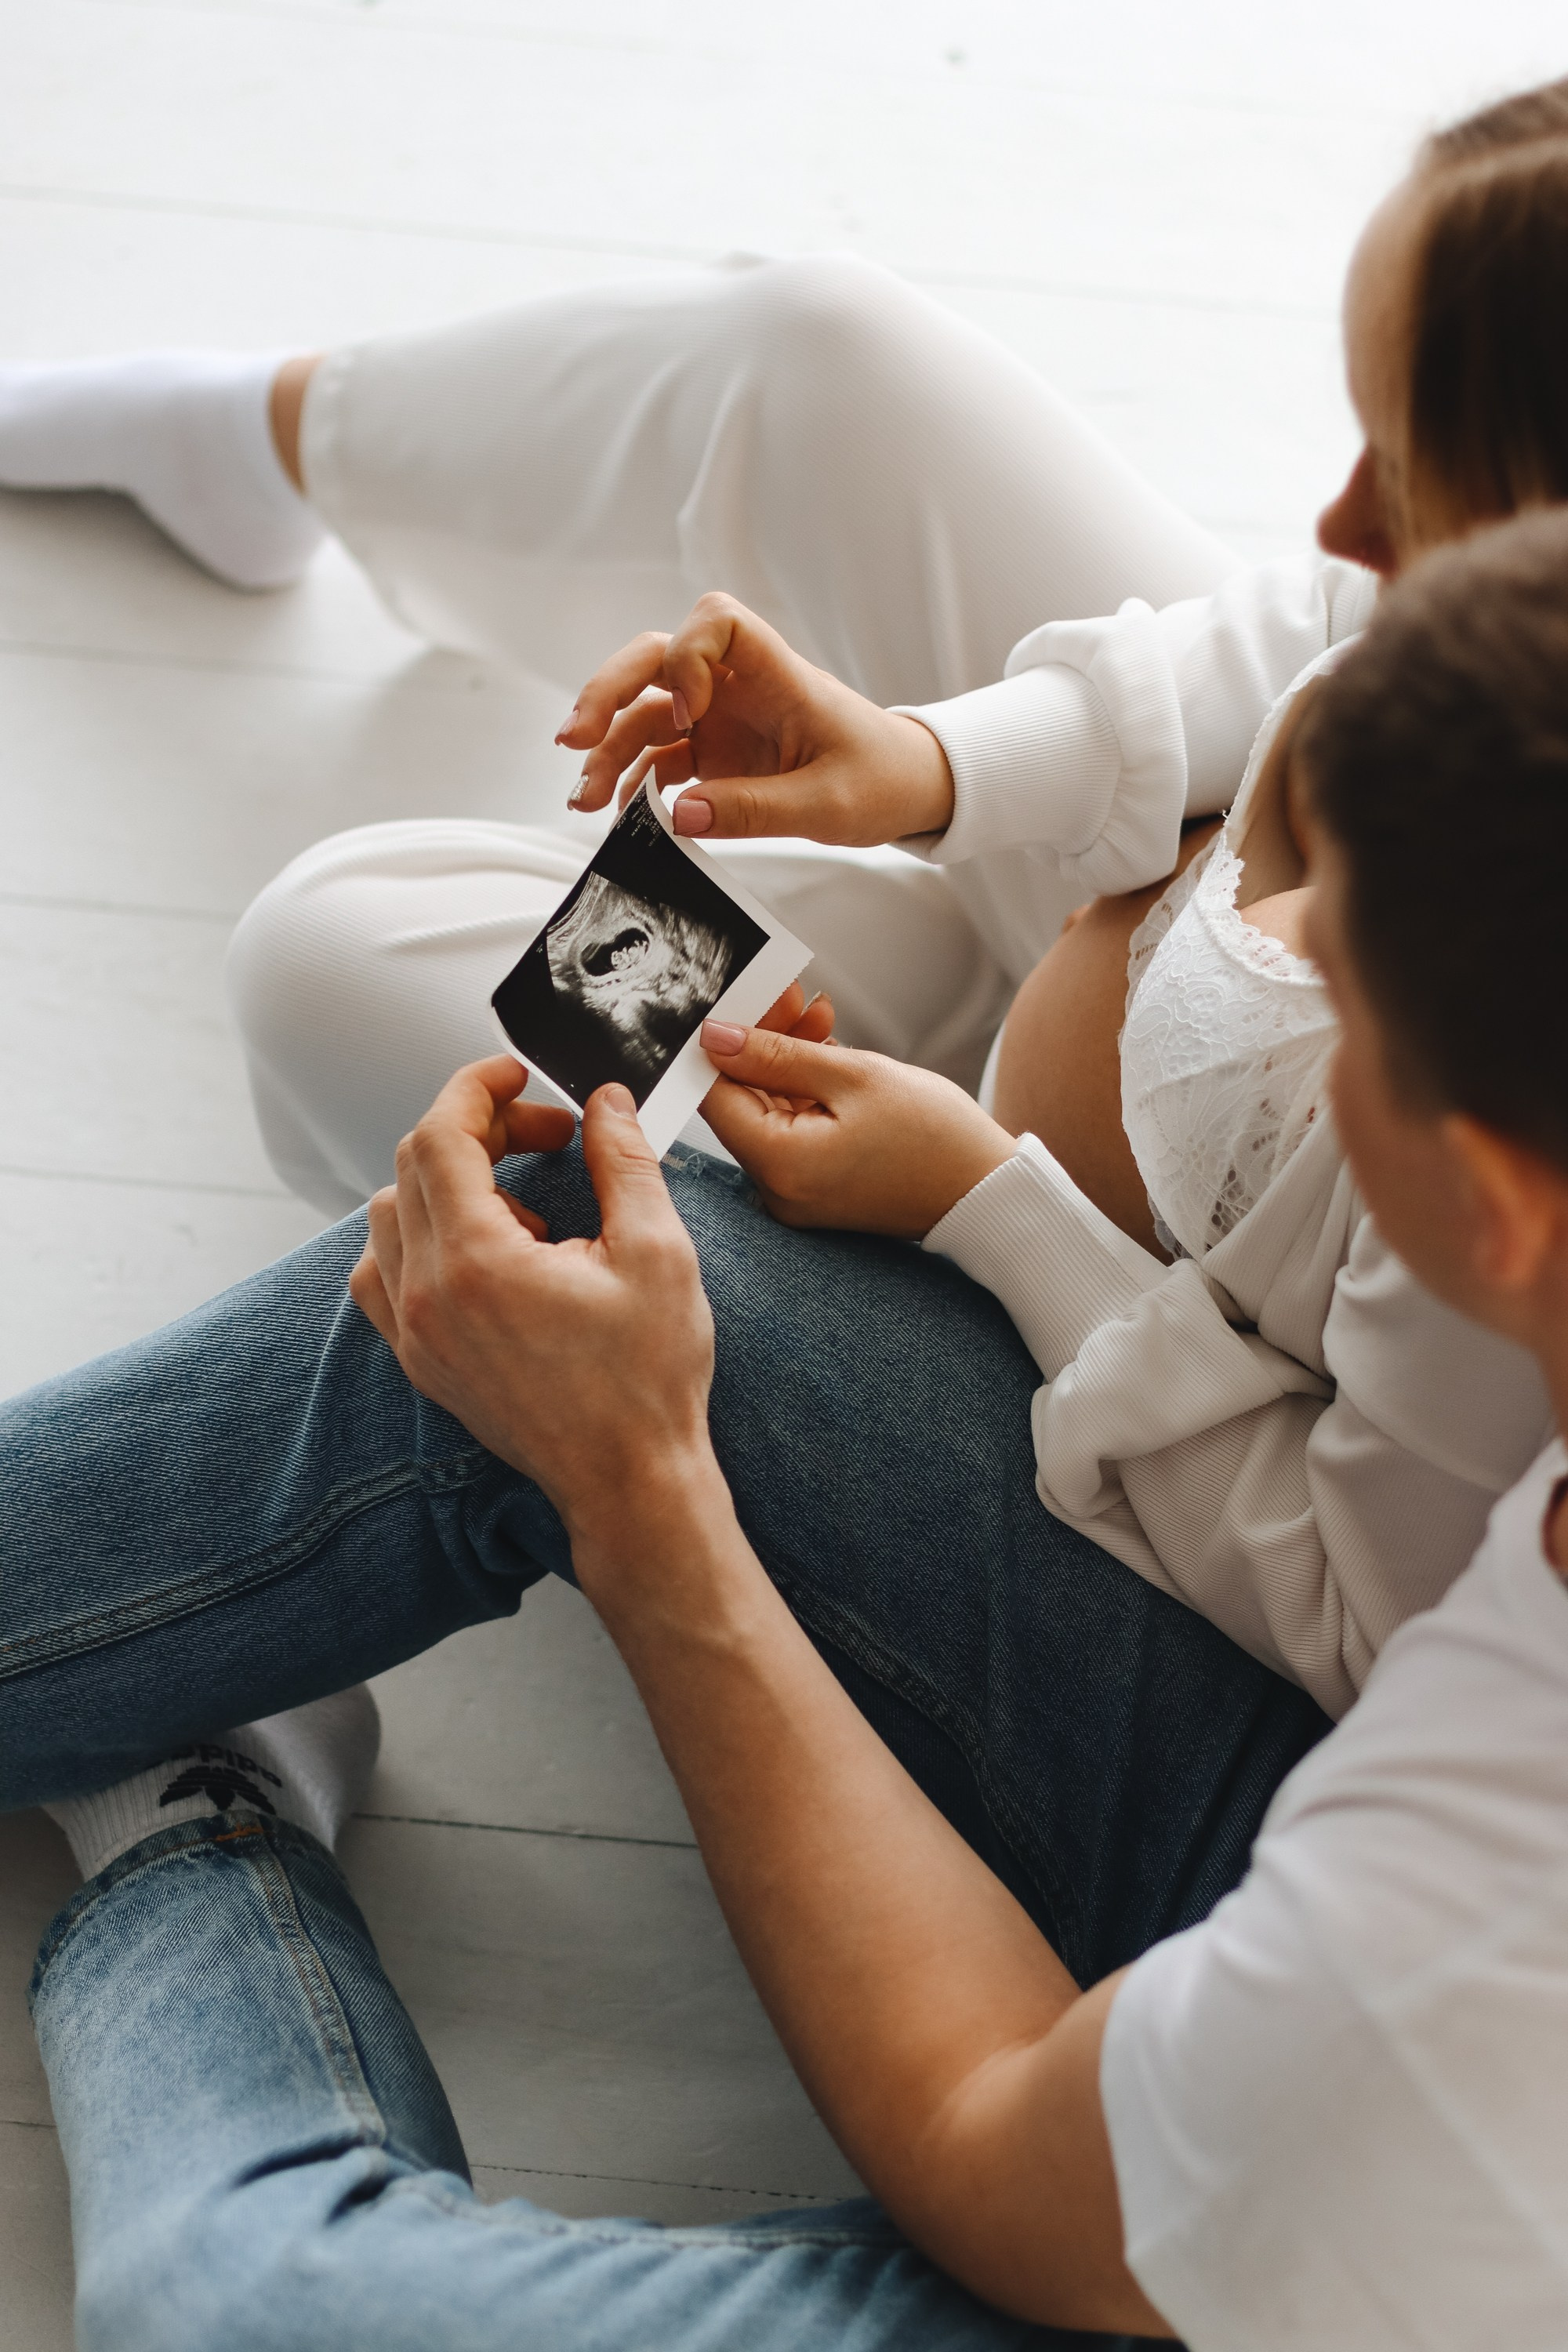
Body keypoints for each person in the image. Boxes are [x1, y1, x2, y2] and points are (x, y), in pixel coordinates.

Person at [24, 502, 1568, 2350]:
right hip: (1326, 1936)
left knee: (251, 2313)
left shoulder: (1453, 1915)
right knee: (584, 1249)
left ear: (1491, 1201)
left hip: (1301, 2200)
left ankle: (204, 1831)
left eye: (1334, 1027)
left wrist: (641, 1489)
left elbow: (1001, 2137)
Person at [3, 79, 1563, 1711]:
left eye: (1410, 475)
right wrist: (924, 765)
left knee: (337, 956)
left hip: (1034, 1293)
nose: (1334, 518)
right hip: (1115, 915)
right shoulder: (1474, 622)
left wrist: (981, 1202)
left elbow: (1363, 1610)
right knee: (821, 355)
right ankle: (276, 435)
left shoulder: (1503, 1115)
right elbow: (1315, 611)